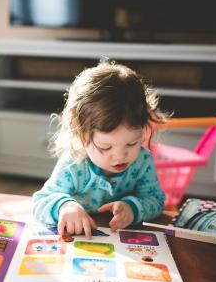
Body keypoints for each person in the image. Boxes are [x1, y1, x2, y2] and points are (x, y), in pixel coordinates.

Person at [32, 61, 167, 238]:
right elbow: (41, 201)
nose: (120, 156)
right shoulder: (74, 163)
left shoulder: (142, 161)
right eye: (105, 147)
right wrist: (65, 206)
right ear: (81, 136)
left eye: (132, 143)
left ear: (144, 129)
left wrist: (132, 208)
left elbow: (156, 200)